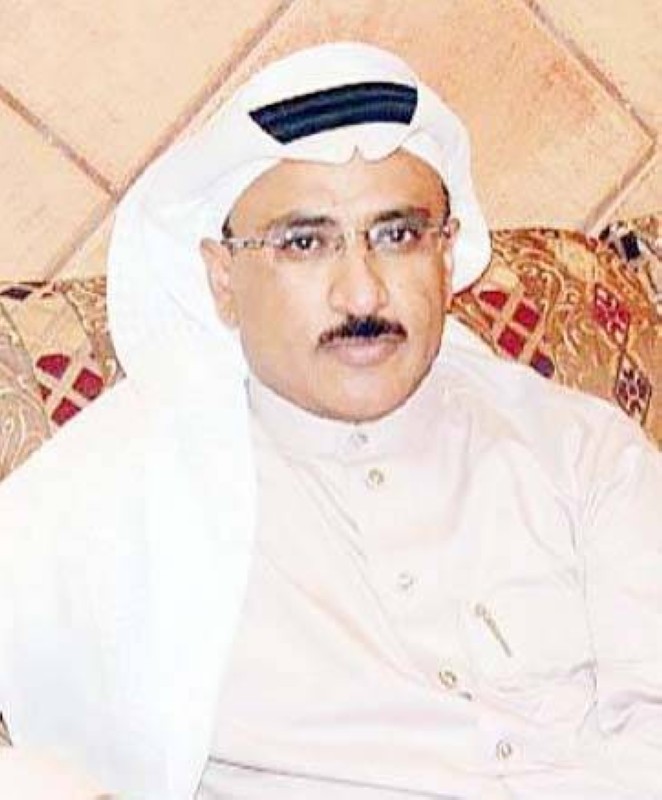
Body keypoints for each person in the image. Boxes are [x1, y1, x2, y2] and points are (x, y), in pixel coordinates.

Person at [0, 42, 661, 800]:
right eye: (305, 243)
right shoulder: (120, 494)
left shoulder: (582, 451)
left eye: (397, 235)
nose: (361, 294)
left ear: (446, 256)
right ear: (223, 278)